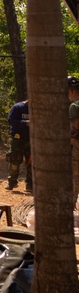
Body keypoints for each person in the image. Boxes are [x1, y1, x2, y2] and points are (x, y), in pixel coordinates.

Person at [6, 99, 31, 191]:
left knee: (31, 162)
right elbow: (11, 120)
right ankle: (12, 182)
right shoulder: (17, 108)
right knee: (14, 161)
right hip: (18, 139)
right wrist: (25, 123)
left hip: (30, 140)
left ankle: (30, 184)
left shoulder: (36, 109)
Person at [68, 76, 79, 205]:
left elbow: (74, 128)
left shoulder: (75, 106)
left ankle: (71, 205)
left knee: (75, 175)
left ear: (71, 91)